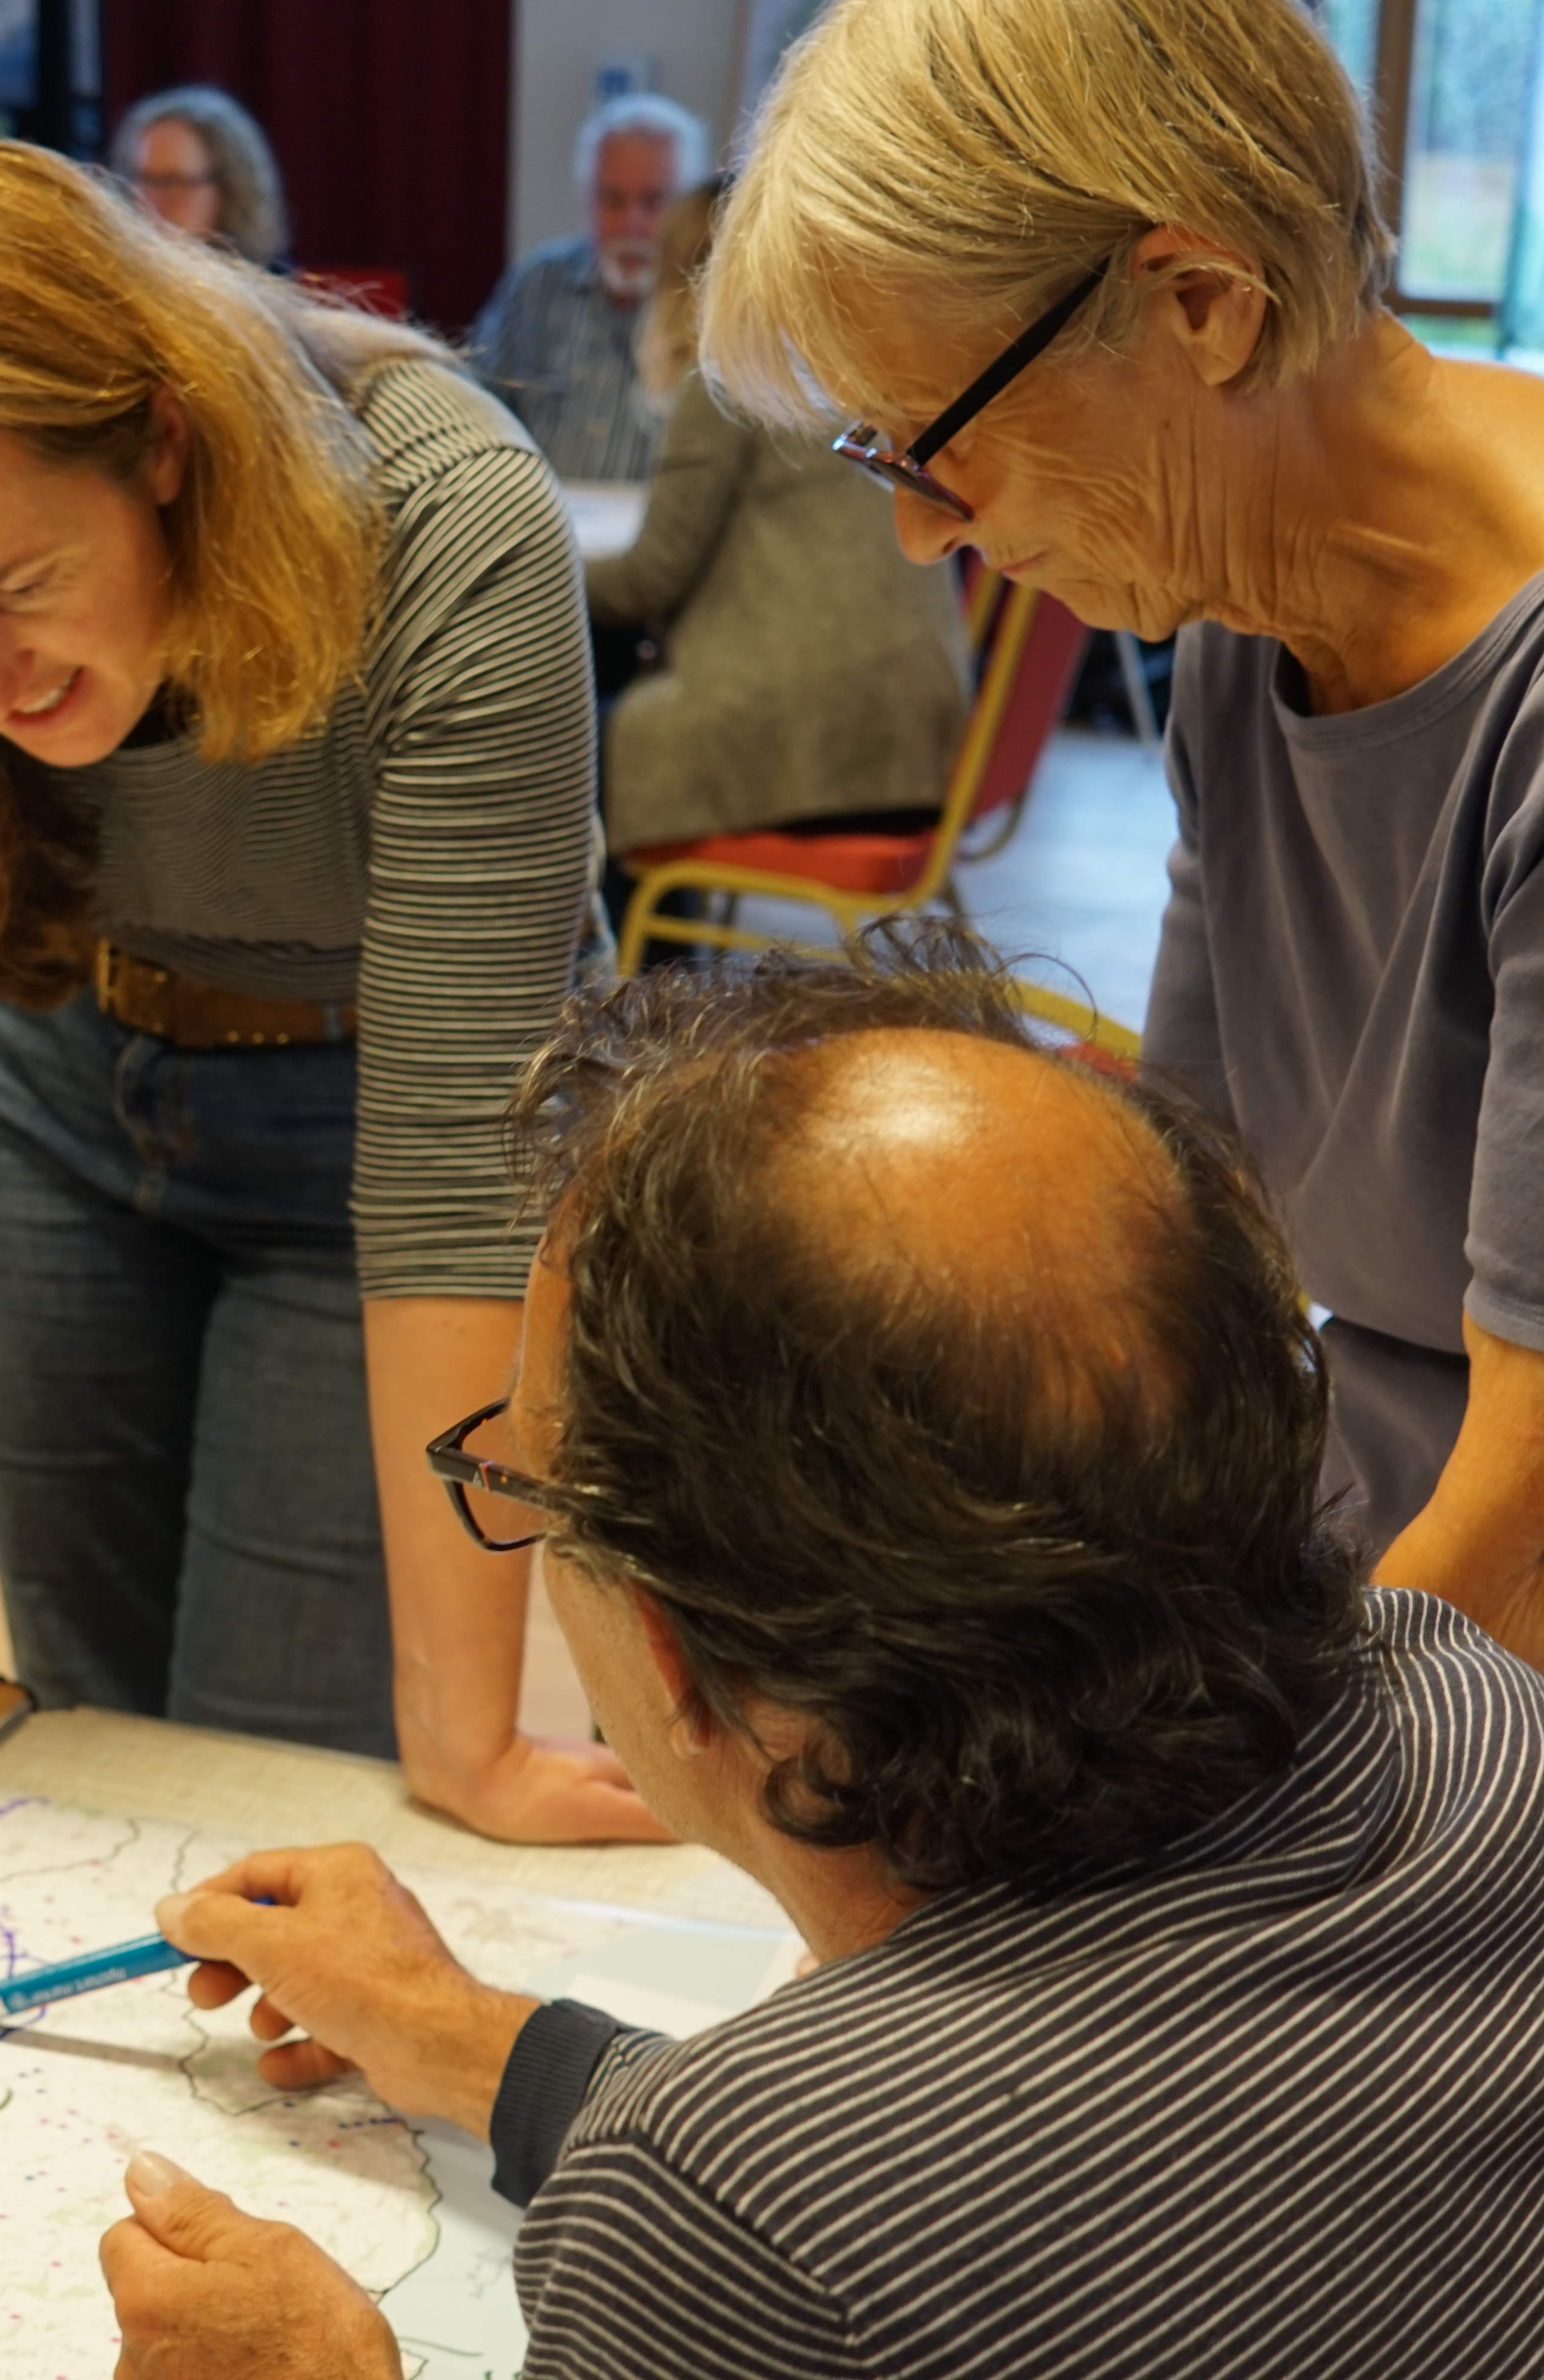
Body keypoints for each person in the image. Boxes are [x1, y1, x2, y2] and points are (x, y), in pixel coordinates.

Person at [101, 934, 1544, 2376]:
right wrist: (472, 2037)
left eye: (529, 1478)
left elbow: (836, 2210)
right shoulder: (1480, 1721)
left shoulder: (737, 2215)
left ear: (674, 1650)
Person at [0, 138, 650, 1843]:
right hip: (70, 1101)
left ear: (163, 442)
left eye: (18, 587)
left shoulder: (448, 522)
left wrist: (468, 1739)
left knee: (268, 1786)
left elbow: (456, 1153)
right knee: (84, 1747)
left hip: (381, 1139)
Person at [706, 0, 1544, 1667]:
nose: (914, 531)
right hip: (1393, 1551)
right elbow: (1187, 1210)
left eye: (933, 445)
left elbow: (1525, 1502)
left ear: (1200, 305)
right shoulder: (1240, 606)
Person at [584, 181, 967, 899]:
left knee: (567, 747)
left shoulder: (729, 377)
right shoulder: (835, 366)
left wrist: (533, 565)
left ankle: (630, 988)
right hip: (911, 735)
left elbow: (649, 580)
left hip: (821, 736)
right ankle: (669, 965)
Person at [469, 91, 706, 483]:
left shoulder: (712, 306)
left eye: (653, 202)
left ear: (687, 205)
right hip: (549, 526)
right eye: (611, 200)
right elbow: (479, 414)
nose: (632, 223)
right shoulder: (538, 285)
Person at [111, 87, 290, 272]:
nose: (151, 202)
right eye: (145, 179)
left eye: (174, 182)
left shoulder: (268, 286)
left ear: (229, 189)